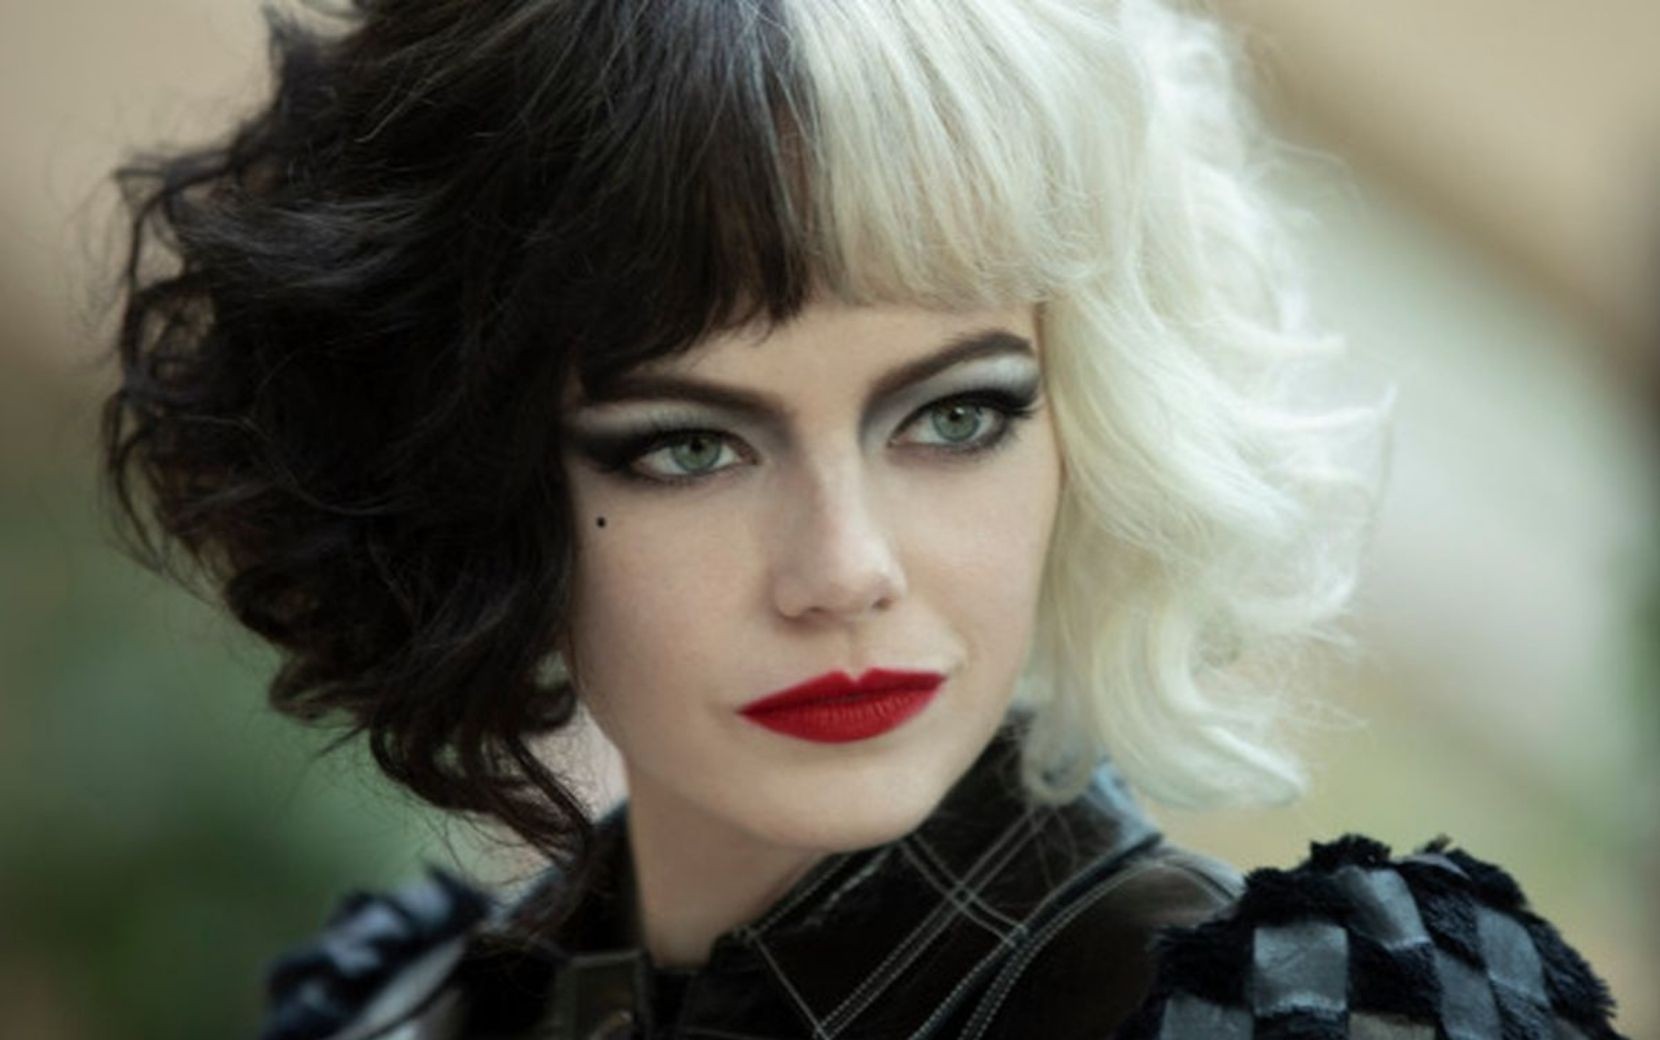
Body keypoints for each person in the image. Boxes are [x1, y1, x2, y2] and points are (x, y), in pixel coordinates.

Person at [98, 0, 1629, 1037]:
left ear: (1089, 423)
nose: (845, 569)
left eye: (955, 418)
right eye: (688, 446)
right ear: (477, 474)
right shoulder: (412, 1007)